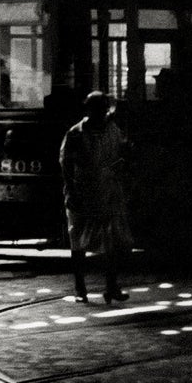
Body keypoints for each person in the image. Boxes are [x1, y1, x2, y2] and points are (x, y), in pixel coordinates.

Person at [59, 91, 132, 302]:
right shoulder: (75, 134)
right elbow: (66, 164)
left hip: (108, 192)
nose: (102, 113)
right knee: (78, 242)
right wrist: (71, 190)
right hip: (82, 192)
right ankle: (80, 289)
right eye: (98, 109)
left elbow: (120, 156)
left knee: (112, 242)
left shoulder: (113, 130)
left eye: (104, 109)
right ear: (89, 110)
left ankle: (111, 287)